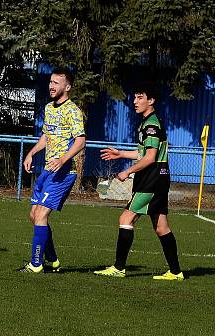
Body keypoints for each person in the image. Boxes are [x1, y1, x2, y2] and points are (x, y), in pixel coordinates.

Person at [94, 89, 182, 280]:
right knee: (161, 227)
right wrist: (121, 154)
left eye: (140, 97)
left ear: (151, 100)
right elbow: (144, 153)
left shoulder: (152, 125)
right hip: (156, 178)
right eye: (134, 97)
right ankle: (176, 272)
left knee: (125, 219)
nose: (135, 101)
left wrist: (127, 171)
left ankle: (118, 267)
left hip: (152, 179)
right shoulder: (146, 123)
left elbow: (150, 158)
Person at [19, 68, 86, 273]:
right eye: (50, 82)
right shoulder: (49, 108)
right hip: (48, 170)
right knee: (34, 215)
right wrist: (31, 153)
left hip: (65, 172)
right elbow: (46, 135)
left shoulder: (72, 110)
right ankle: (53, 259)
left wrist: (64, 159)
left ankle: (36, 264)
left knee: (40, 215)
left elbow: (81, 141)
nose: (51, 86)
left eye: (56, 83)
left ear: (67, 87)